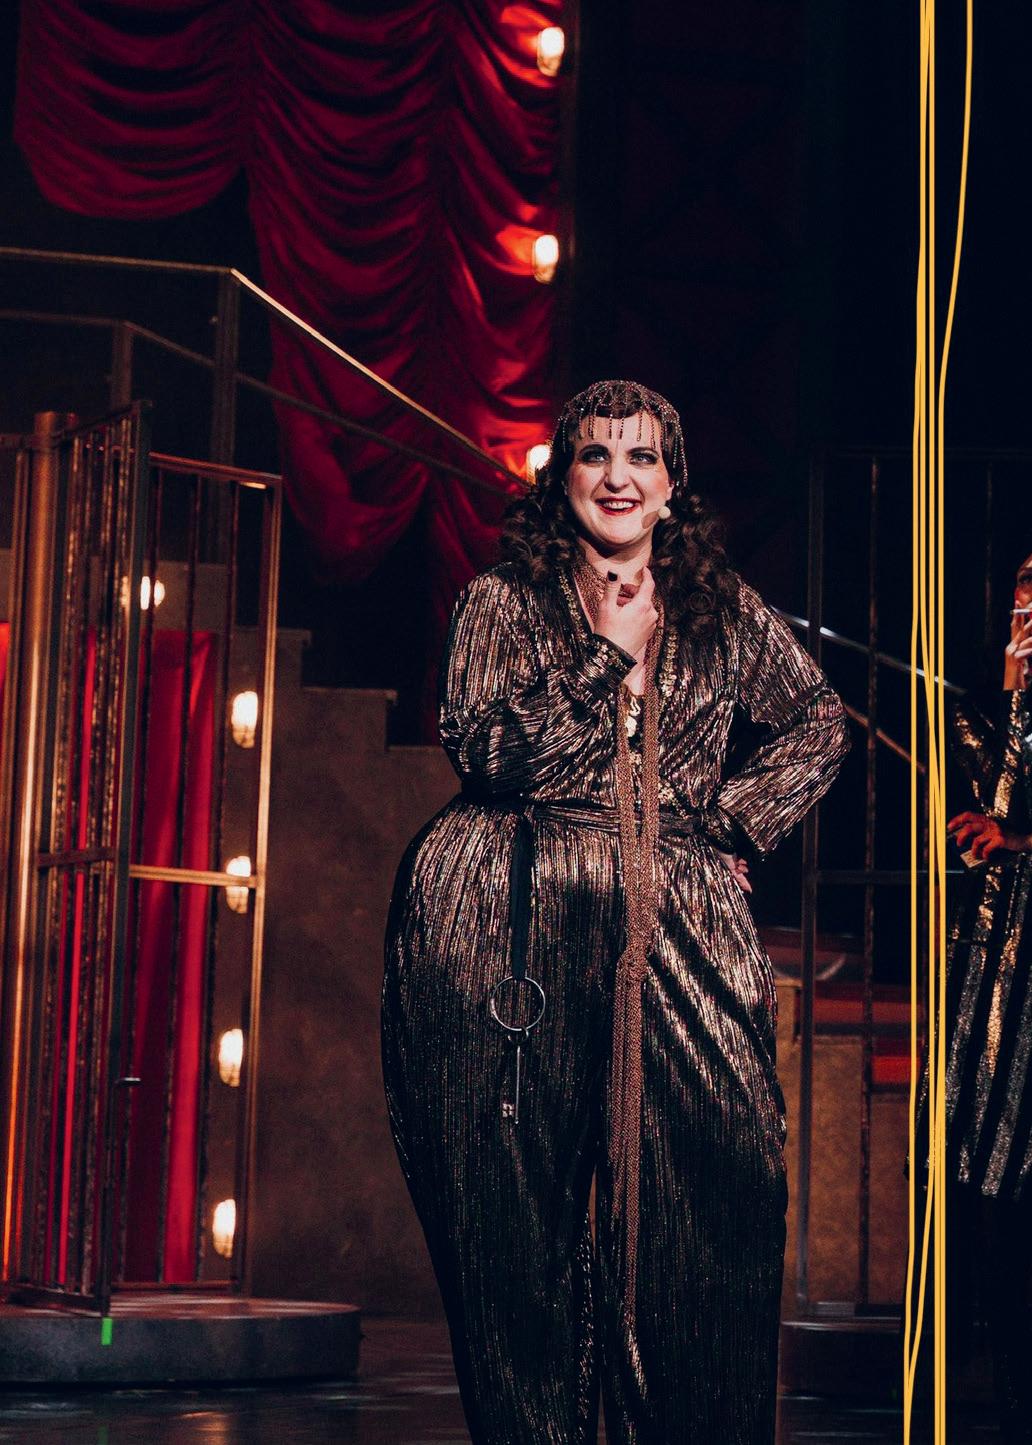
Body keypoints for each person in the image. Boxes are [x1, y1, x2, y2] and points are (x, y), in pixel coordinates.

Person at [381, 379, 850, 1444]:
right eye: (595, 454)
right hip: (510, 913)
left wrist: (730, 825)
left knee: (720, 1186)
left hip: (674, 915)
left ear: (673, 484)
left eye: (642, 457)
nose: (618, 477)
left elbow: (818, 721)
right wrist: (603, 655)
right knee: (515, 1214)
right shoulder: (504, 599)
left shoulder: (720, 606)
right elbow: (486, 751)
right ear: (565, 475)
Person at [921, 551, 1032, 1442]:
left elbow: (1010, 825)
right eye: (1024, 588)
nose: (1030, 607)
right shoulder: (985, 711)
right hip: (996, 959)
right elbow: (985, 809)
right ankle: (982, 1377)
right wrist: (1012, 690)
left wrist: (1019, 838)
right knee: (979, 1162)